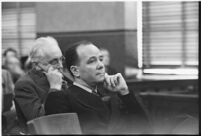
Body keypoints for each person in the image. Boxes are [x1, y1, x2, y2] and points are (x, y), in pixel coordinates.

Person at [45, 41, 151, 134]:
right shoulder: (62, 98)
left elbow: (144, 127)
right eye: (92, 61)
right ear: (75, 71)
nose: (101, 65)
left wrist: (124, 91)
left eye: (101, 59)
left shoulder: (110, 94)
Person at [14, 36, 72, 132]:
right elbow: (38, 120)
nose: (61, 65)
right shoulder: (24, 84)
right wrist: (54, 88)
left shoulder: (64, 75)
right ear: (37, 64)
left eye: (61, 59)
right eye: (54, 61)